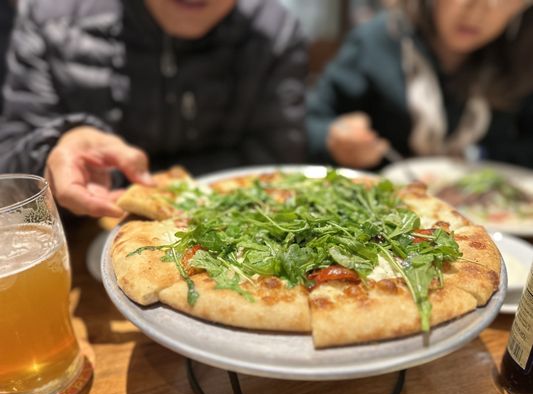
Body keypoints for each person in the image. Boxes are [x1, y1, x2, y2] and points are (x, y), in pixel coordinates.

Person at [0, 0, 308, 217]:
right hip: (79, 255)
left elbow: (276, 157)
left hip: (230, 241)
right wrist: (58, 146)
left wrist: (165, 192)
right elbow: (10, 174)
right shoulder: (50, 18)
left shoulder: (276, 34)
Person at [307, 0, 533, 170]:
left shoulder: (521, 59)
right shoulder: (376, 41)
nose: (479, 10)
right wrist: (335, 139)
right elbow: (310, 122)